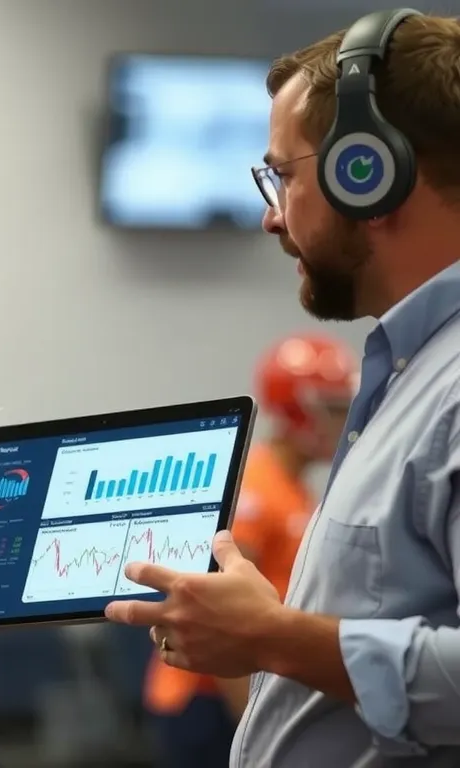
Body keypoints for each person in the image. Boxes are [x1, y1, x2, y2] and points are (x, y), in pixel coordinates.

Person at [107, 11, 460, 767]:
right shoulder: (409, 375)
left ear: (367, 170)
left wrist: (275, 638)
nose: (270, 216)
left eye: (283, 176)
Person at [141, 333, 356, 768]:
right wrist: (252, 722)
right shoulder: (256, 487)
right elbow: (222, 613)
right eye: (332, 408)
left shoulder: (293, 487)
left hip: (249, 682)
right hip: (208, 693)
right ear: (297, 408)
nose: (344, 420)